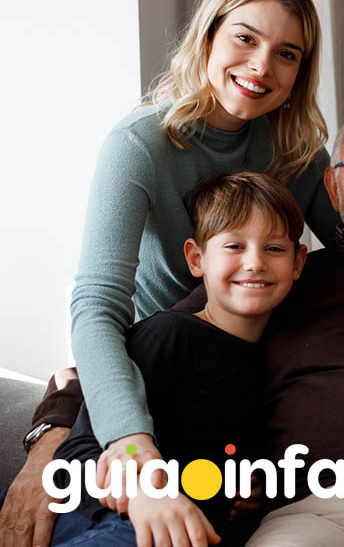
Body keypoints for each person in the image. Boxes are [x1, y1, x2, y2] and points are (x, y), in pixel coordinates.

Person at [3, 101, 344, 547]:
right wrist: (49, 442)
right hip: (304, 509)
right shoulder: (279, 280)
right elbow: (123, 363)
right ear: (333, 187)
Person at [68, 0, 339, 510]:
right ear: (208, 36)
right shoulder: (139, 145)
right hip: (158, 373)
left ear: (299, 74)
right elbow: (97, 304)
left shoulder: (298, 152)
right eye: (245, 38)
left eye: (287, 53)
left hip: (242, 382)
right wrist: (129, 442)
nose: (262, 65)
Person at [41, 171, 308, 546]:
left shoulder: (276, 356)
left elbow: (196, 455)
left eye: (275, 249)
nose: (255, 263)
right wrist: (142, 488)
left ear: (298, 263)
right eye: (234, 246)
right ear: (197, 259)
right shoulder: (167, 336)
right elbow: (80, 452)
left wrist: (233, 489)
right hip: (106, 522)